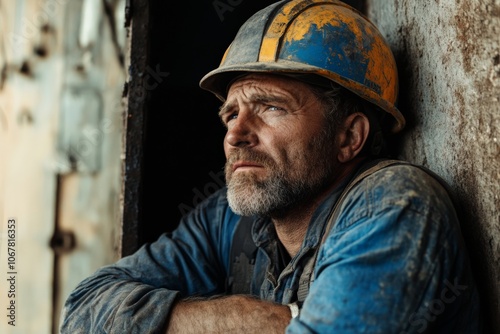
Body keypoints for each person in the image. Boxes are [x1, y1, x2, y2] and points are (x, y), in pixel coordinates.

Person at [60, 0, 483, 333]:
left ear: (349, 137)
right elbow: (84, 311)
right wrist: (262, 319)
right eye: (231, 114)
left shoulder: (393, 206)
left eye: (270, 107)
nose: (236, 134)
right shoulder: (228, 220)